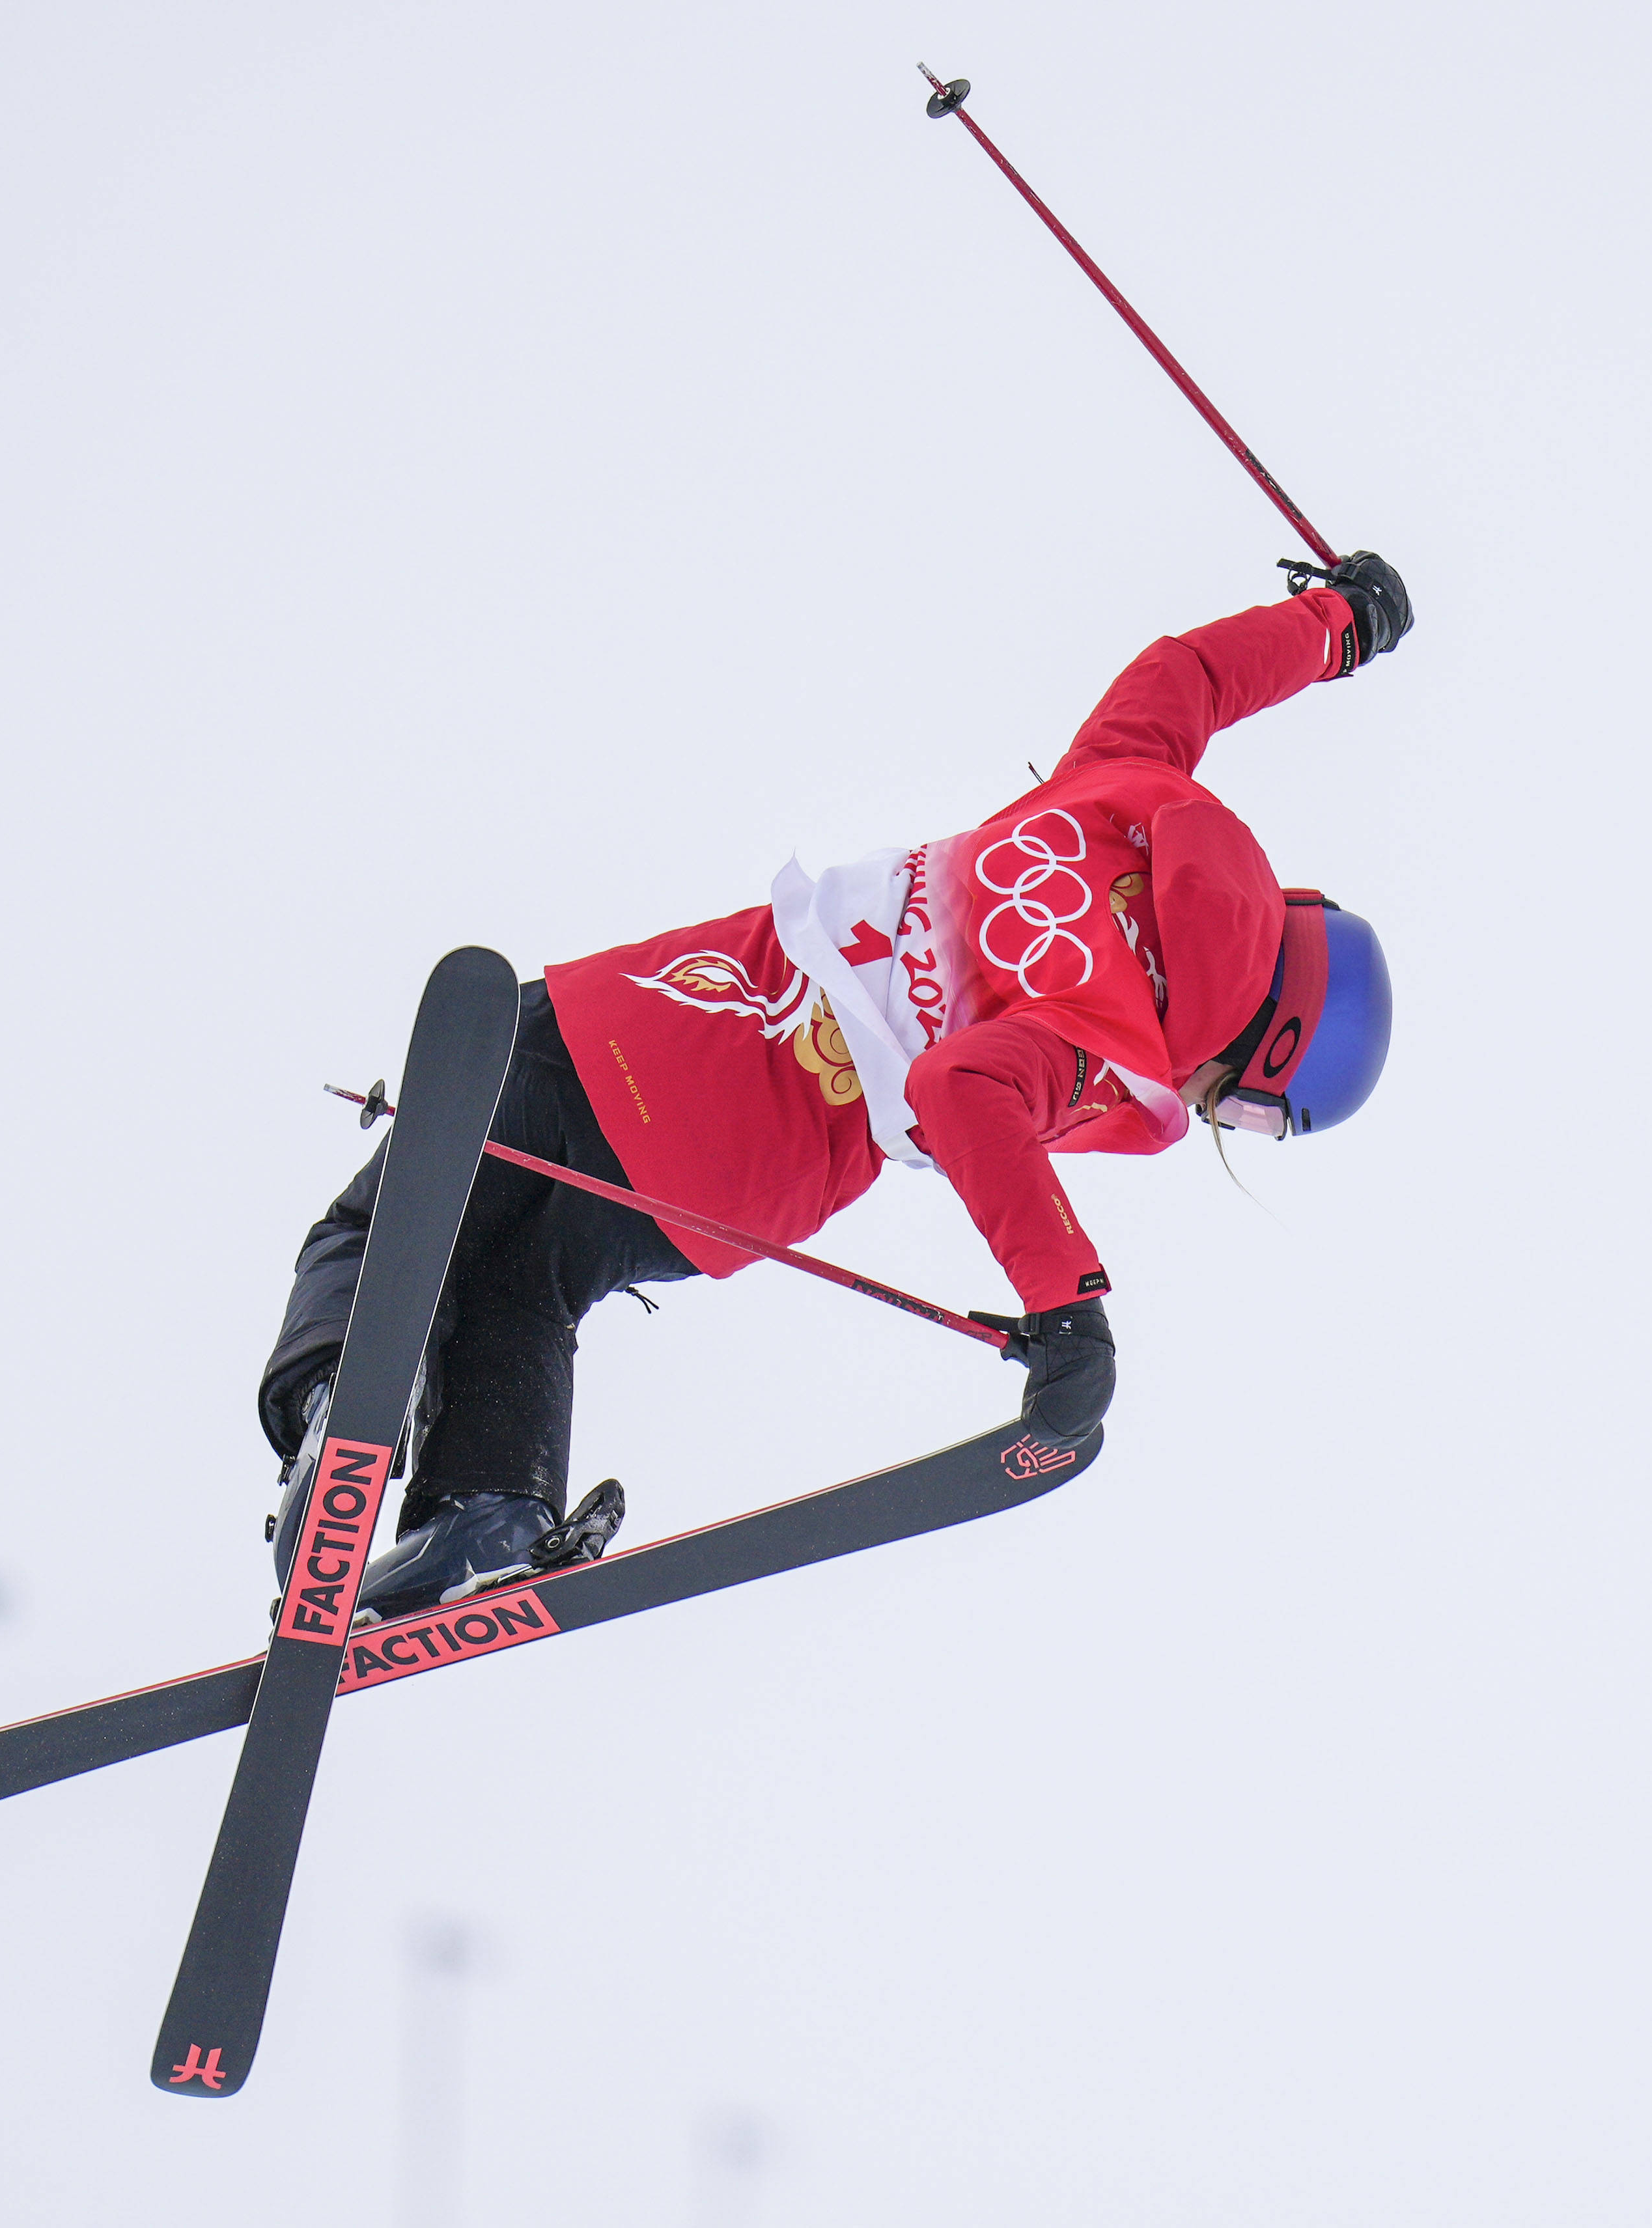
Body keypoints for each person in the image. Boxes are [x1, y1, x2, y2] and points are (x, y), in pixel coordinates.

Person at [260, 555, 1414, 1620]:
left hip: (668, 1018)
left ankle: (335, 1413)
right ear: (1271, 1043)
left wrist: (1337, 626)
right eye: (1258, 1112)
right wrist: (1070, 1307)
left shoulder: (1124, 788)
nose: (1224, 1116)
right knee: (526, 1281)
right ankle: (486, 1508)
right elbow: (966, 1089)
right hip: (742, 1175)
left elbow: (1192, 674)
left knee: (410, 1212)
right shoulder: (1114, 1040)